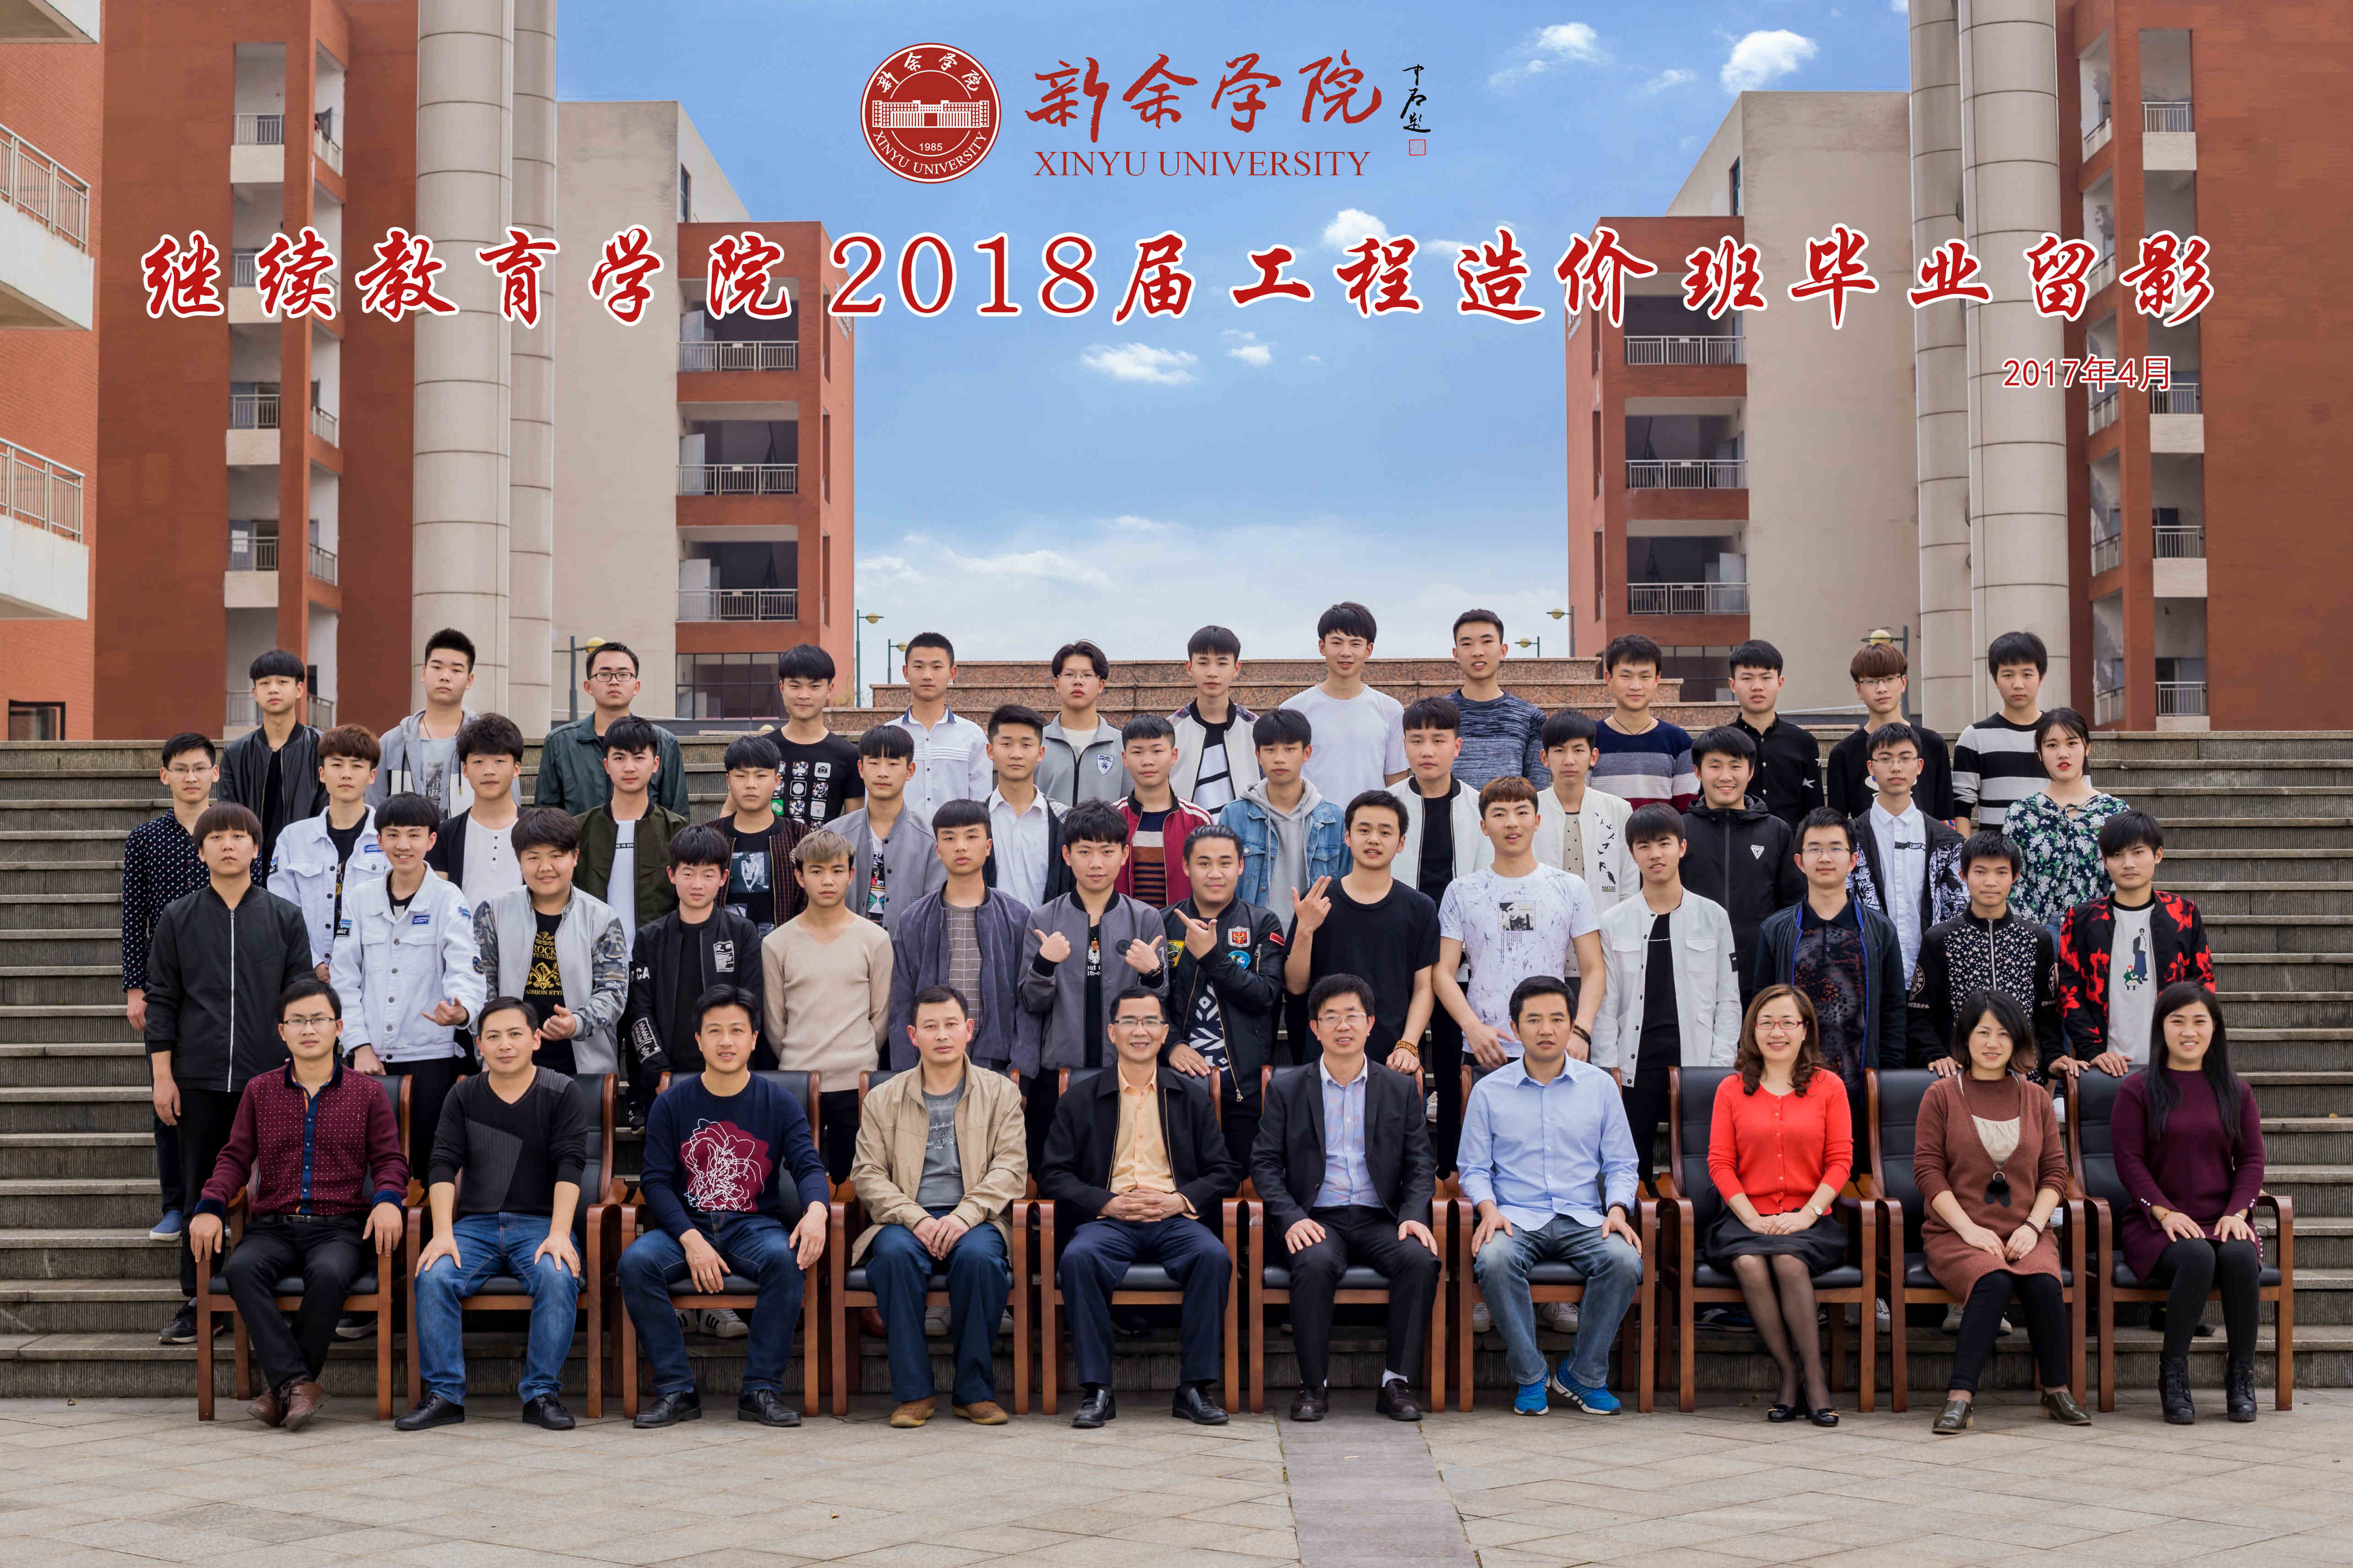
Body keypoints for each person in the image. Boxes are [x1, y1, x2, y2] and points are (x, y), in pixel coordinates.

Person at [189, 976, 407, 1431]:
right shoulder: (260, 1090)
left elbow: (390, 1160)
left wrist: (388, 1200)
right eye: (298, 1021)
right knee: (242, 1269)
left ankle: (281, 1391)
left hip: (340, 1227)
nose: (309, 1029)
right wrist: (210, 1206)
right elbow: (235, 1158)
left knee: (328, 1274)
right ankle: (298, 1384)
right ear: (282, 1031)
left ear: (339, 1027)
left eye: (319, 1019)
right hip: (274, 1225)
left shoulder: (367, 1092)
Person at [619, 986, 831, 1428]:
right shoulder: (672, 1102)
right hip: (687, 1225)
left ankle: (760, 1391)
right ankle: (676, 1390)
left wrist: (817, 1211)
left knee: (786, 1260)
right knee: (636, 1263)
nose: (726, 1041)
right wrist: (690, 1238)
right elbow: (655, 1181)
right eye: (714, 1031)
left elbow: (808, 1166)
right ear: (699, 1041)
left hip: (753, 1226)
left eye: (737, 1030)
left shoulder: (778, 1101)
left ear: (754, 1039)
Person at [145, 803, 314, 1342]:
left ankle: (272, 1293)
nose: (228, 845)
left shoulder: (284, 916)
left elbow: (301, 999)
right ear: (200, 852)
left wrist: (299, 1068)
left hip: (270, 1078)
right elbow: (162, 1000)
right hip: (197, 1078)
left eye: (239, 836)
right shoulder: (178, 917)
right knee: (201, 1187)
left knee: (275, 1188)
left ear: (256, 848)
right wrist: (163, 1076)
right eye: (216, 838)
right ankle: (200, 1299)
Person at [1038, 987, 1239, 1428]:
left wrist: (1177, 1201)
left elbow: (1225, 1171)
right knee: (1078, 1258)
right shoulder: (1080, 1098)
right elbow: (1053, 1173)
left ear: (1165, 1033)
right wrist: (1107, 1203)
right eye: (1129, 1021)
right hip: (1109, 1221)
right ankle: (1097, 1390)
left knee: (1213, 1257)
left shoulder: (1190, 1096)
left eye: (1150, 1022)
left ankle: (1194, 1388)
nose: (1140, 1031)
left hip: (1174, 1218)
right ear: (1112, 1032)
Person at [1254, 974, 1441, 1422]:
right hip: (1317, 1217)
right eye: (1331, 1017)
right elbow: (1264, 1164)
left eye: (1352, 1016)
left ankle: (1395, 1382)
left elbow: (1421, 1163)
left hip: (1381, 1218)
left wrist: (1414, 1215)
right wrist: (1291, 1217)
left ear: (1370, 1024)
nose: (1343, 1026)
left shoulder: (1398, 1088)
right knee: (1315, 1263)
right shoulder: (1287, 1088)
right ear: (1314, 1028)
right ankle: (1312, 1385)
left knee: (1420, 1260)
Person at [401, 996, 589, 1432]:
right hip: (475, 1228)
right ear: (480, 1045)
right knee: (433, 1275)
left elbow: (571, 1163)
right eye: (494, 1037)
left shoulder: (561, 1091)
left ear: (536, 1039)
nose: (505, 1045)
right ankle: (445, 1396)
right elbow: (442, 1163)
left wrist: (560, 1233)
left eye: (515, 1034)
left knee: (557, 1276)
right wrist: (443, 1233)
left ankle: (541, 1395)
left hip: (540, 1226)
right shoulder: (464, 1094)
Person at [1463, 975, 1646, 1417]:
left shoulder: (1600, 1087)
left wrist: (1617, 1209)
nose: (1546, 1030)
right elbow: (1474, 1168)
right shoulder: (1489, 1091)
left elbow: (1622, 1164)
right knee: (1494, 1259)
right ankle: (1530, 1377)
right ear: (1514, 1027)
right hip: (1514, 1218)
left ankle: (1583, 1375)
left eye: (1557, 1019)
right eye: (1534, 1020)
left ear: (1571, 1026)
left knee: (1624, 1261)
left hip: (1583, 1217)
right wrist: (1488, 1209)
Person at [1915, 991, 2092, 1433]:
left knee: (2044, 1283)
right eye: (1983, 1033)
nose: (1992, 1043)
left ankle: (2056, 1392)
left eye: (2002, 1034)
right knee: (1992, 1279)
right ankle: (1960, 1398)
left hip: (2025, 1231)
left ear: (2017, 1041)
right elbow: (1928, 1173)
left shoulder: (2035, 1098)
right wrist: (1969, 1231)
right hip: (1956, 1233)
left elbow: (2055, 1174)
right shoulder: (1941, 1095)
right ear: (1965, 1038)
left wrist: (2033, 1226)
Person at [851, 985, 1027, 1428]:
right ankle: (914, 1394)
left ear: (969, 1029)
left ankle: (974, 1393)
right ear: (913, 1035)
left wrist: (965, 1215)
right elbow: (867, 1174)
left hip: (977, 1217)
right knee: (893, 1258)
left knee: (981, 1261)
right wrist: (915, 1218)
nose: (942, 1035)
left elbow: (1011, 1168)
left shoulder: (1001, 1093)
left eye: (951, 1025)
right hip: (905, 1217)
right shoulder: (883, 1098)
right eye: (930, 1027)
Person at [2114, 985, 2267, 1424]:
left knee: (2240, 1255)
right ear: (2161, 1027)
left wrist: (2237, 1212)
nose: (2189, 1031)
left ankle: (2241, 1376)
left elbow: (2252, 1160)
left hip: (2221, 1218)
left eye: (2199, 1021)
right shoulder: (2138, 1089)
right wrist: (2164, 1211)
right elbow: (2129, 1162)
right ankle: (2174, 1375)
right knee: (2197, 1256)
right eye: (2177, 1021)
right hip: (2155, 1223)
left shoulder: (2236, 1091)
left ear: (2214, 1028)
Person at [1702, 985, 1853, 1425]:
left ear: (1805, 1030)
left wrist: (1806, 1215)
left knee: (1788, 1260)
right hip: (1744, 1218)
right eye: (1766, 1022)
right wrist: (1751, 1216)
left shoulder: (1829, 1087)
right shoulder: (1732, 1089)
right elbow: (1720, 1162)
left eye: (1788, 1022)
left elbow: (1841, 1161)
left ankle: (1815, 1378)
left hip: (1811, 1218)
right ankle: (1790, 1374)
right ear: (1753, 1030)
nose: (1777, 1032)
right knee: (1749, 1264)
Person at [332, 792, 484, 1184]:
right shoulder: (359, 898)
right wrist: (358, 1045)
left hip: (430, 1055)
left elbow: (466, 966)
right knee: (367, 1167)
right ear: (379, 840)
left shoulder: (449, 899)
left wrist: (462, 1009)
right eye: (394, 835)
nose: (404, 845)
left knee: (431, 1164)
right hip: (369, 1058)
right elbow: (344, 978)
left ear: (431, 840)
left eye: (414, 835)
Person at [1589, 806, 1741, 1183]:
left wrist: (1720, 1066)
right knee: (1629, 1169)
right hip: (1634, 1063)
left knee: (1701, 1169)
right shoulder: (1613, 922)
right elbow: (1606, 1004)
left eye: (1664, 843)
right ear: (1632, 854)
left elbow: (1728, 998)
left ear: (1682, 847)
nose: (1655, 854)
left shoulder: (1713, 916)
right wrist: (1608, 1066)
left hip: (1698, 1061)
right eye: (1644, 846)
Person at [1017, 801, 1170, 1162]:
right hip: (1059, 1073)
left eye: (1107, 851)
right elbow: (1031, 1002)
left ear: (1124, 855)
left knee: (1123, 1167)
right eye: (1085, 852)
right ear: (1067, 856)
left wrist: (1154, 973)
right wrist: (1044, 965)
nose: (1096, 863)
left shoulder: (1145, 918)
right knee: (1057, 1169)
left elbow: (1160, 1003)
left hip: (1128, 1072)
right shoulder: (1044, 918)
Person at [1751, 810, 1907, 1144]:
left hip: (1860, 1087)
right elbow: (1759, 1007)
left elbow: (1893, 1010)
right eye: (1815, 848)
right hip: (1790, 1085)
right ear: (1799, 861)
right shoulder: (1776, 930)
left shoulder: (1879, 931)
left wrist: (1886, 1080)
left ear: (1853, 861)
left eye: (1836, 848)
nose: (1825, 858)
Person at [1387, 697, 1492, 1171]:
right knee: (1393, 1067)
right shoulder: (1387, 805)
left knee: (1452, 1067)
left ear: (1457, 746)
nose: (1427, 751)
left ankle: (1450, 1168)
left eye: (1438, 740)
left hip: (1459, 959)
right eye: (1416, 741)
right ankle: (1396, 1168)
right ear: (1405, 746)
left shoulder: (1478, 807)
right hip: (1399, 956)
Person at [1436, 778, 1605, 1072]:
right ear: (1484, 826)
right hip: (1487, 1046)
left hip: (1554, 1044)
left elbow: (1594, 969)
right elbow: (1442, 973)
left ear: (1537, 821)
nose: (1512, 823)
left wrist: (1581, 1031)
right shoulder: (1462, 891)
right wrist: (1472, 1028)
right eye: (1499, 814)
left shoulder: (1570, 887)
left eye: (1522, 812)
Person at [123, 733, 219, 1244]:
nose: (191, 777)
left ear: (215, 774)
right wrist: (134, 987)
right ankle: (174, 1204)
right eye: (181, 769)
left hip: (223, 978)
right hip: (166, 984)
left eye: (199, 768)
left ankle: (222, 1198)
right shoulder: (145, 839)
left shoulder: (233, 831)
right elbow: (133, 918)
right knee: (167, 1095)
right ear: (165, 776)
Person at [760, 827, 893, 1183]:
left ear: (852, 875)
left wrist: (859, 1054)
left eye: (837, 870)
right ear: (799, 877)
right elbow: (774, 1022)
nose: (828, 881)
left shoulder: (875, 940)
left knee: (858, 1183)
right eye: (816, 871)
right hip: (798, 1081)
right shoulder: (777, 944)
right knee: (798, 1183)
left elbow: (880, 1017)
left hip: (857, 1080)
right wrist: (798, 1060)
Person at [623, 823, 773, 1128]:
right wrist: (659, 1071)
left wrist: (729, 1062)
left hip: (729, 1073)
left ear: (724, 878)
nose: (697, 884)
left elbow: (751, 1004)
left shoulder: (742, 933)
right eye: (688, 874)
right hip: (665, 1080)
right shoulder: (650, 938)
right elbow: (639, 1011)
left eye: (708, 875)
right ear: (672, 875)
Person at [1160, 823, 1286, 1175]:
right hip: (1177, 1082)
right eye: (1204, 863)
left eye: (1225, 863)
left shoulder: (1262, 923)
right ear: (1186, 866)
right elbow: (1148, 999)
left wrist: (1211, 956)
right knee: (1183, 1178)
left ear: (1241, 866)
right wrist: (1171, 1045)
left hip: (1243, 1085)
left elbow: (1265, 995)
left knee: (1240, 1181)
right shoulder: (1163, 922)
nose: (1215, 873)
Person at [2054, 811, 2214, 1080]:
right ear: (2104, 861)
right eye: (2117, 855)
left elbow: (2202, 984)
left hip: (2173, 1060)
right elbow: (2069, 991)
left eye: (2138, 853)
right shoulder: (2082, 919)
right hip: (2105, 1065)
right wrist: (2093, 1052)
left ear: (2158, 855)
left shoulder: (2183, 914)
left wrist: (2185, 1046)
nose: (2128, 864)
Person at [1287, 793, 1441, 1072]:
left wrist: (1408, 1044)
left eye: (1386, 832)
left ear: (1401, 843)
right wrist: (1305, 931)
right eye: (1364, 830)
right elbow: (1296, 986)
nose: (1374, 840)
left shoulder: (1420, 908)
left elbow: (1424, 988)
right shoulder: (1318, 900)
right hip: (1324, 1056)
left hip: (1394, 1058)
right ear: (1347, 837)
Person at [472, 808, 628, 1077]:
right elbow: (480, 989)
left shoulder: (602, 918)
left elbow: (614, 992)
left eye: (556, 856)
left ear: (575, 857)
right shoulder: (493, 912)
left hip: (583, 1067)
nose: (545, 867)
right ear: (519, 861)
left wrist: (577, 1023)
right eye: (534, 858)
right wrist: (489, 1053)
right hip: (508, 1063)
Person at [888, 803, 1029, 1078]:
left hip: (996, 1066)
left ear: (988, 846)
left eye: (971, 836)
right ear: (938, 850)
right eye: (950, 838)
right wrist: (904, 1075)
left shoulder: (1016, 917)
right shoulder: (914, 920)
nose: (961, 847)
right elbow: (901, 1005)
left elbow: (1025, 1004)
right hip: (929, 1066)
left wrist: (1021, 1072)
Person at [1909, 833, 2064, 1075]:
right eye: (1980, 872)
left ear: (2015, 877)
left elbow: (2047, 1014)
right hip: (1959, 1073)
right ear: (1963, 875)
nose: (1991, 882)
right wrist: (1936, 1055)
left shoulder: (2037, 939)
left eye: (2001, 873)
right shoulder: (1939, 939)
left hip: (2023, 1074)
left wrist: (2053, 1058)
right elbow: (1921, 1013)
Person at [1681, 725, 1803, 1006]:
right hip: (1692, 972)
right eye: (1715, 766)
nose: (1725, 776)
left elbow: (1792, 905)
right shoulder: (1680, 831)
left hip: (1760, 973)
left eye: (1735, 766)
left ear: (1750, 772)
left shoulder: (1777, 831)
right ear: (1698, 772)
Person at [1846, 722, 1967, 985]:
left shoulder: (1947, 841)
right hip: (1867, 973)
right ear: (1871, 768)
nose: (1896, 767)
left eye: (1905, 758)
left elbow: (1957, 909)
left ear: (1919, 766)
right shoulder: (1849, 838)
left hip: (1932, 973)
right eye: (1886, 759)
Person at [266, 725, 385, 978]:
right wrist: (314, 963)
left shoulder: (389, 838)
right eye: (337, 765)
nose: (346, 774)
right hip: (306, 974)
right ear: (322, 773)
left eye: (357, 766)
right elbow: (282, 910)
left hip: (374, 975)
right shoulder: (292, 838)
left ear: (372, 776)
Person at [1219, 708, 1348, 929]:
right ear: (1258, 755)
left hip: (1319, 934)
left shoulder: (1333, 819)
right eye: (1270, 750)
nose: (1279, 759)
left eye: (1290, 749)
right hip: (1252, 934)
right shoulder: (1235, 815)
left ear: (1307, 753)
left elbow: (1347, 883)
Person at [2002, 707, 2127, 933]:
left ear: (2087, 747)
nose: (2063, 754)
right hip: (2039, 932)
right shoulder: (2021, 813)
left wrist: (2105, 927)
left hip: (2097, 929)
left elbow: (2123, 875)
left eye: (2072, 743)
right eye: (2052, 745)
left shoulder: (2114, 812)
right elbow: (2012, 878)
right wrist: (2034, 933)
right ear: (2040, 753)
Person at [574, 715, 688, 954]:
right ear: (606, 765)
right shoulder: (581, 829)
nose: (629, 768)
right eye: (619, 758)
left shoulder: (676, 829)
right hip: (592, 957)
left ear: (655, 764)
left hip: (657, 957)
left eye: (639, 758)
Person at [534, 642, 689, 817]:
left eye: (623, 675)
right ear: (588, 687)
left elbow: (677, 817)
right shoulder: (560, 743)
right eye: (604, 675)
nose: (614, 682)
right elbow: (546, 817)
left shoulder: (664, 742)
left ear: (636, 687)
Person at [1280, 600, 1407, 801]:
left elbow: (1397, 781)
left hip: (1370, 819)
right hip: (1310, 819)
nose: (1346, 652)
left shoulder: (1390, 710)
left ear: (1369, 650)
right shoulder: (1294, 710)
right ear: (1322, 647)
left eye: (1355, 644)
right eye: (1337, 643)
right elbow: (1283, 778)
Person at [1827, 640, 1957, 824]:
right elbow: (1837, 825)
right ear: (1858, 689)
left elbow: (1945, 816)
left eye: (1889, 679)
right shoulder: (1843, 753)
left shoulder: (1933, 744)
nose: (1882, 689)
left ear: (1903, 682)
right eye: (1871, 681)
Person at [833, 725, 945, 936]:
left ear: (910, 771)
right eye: (874, 763)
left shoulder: (931, 838)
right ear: (861, 769)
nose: (883, 773)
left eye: (893, 764)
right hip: (846, 950)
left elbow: (935, 913)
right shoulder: (835, 835)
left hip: (908, 952)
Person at [220, 648, 325, 871]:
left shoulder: (322, 748)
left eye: (282, 682)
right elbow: (228, 817)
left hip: (307, 867)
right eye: (265, 683)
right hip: (249, 869)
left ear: (299, 690)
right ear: (255, 692)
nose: (273, 689)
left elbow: (327, 815)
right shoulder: (235, 754)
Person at [1531, 709, 1637, 914]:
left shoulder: (1618, 810)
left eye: (1578, 750)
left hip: (1605, 922)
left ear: (1593, 756)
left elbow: (1629, 881)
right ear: (1545, 757)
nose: (1569, 760)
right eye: (1560, 751)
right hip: (1545, 921)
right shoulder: (1528, 811)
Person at [370, 627, 477, 815]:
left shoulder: (488, 742)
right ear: (423, 673)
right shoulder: (390, 744)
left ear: (469, 680)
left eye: (456, 670)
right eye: (437, 668)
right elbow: (373, 812)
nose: (445, 677)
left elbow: (509, 812)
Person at [714, 732, 810, 940]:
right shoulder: (711, 837)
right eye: (741, 776)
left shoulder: (801, 837)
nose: (751, 784)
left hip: (787, 949)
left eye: (760, 776)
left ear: (777, 781)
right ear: (728, 781)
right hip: (723, 950)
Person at [888, 631, 992, 822]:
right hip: (900, 839)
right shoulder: (889, 736)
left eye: (937, 667)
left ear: (952, 673)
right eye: (918, 667)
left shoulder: (973, 736)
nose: (927, 676)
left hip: (957, 839)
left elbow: (981, 806)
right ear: (906, 672)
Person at [1112, 714, 1214, 908]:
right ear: (1125, 758)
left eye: (1157, 751)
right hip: (1123, 925)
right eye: (1138, 752)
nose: (1147, 761)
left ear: (1174, 756)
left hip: (1182, 926)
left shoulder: (1198, 821)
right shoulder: (1112, 819)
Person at [1952, 630, 2049, 832]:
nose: (2018, 685)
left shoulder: (2062, 735)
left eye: (2027, 674)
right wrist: (1965, 851)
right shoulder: (1975, 737)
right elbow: (1961, 807)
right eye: (2008, 675)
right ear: (1995, 680)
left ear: (2041, 677)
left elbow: (2081, 798)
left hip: (2052, 850)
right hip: (1995, 851)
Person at [426, 714, 526, 905]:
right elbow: (439, 904)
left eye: (499, 761)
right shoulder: (445, 835)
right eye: (479, 762)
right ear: (465, 769)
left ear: (517, 768)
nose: (489, 771)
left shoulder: (538, 832)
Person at [1591, 635, 1697, 812]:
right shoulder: (1589, 740)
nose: (1636, 686)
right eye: (1626, 676)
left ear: (1657, 679)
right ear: (1609, 679)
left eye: (1645, 676)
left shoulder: (1679, 742)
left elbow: (1686, 813)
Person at [1726, 640, 1824, 832]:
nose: (1757, 687)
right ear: (1733, 685)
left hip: (1791, 846)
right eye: (1747, 678)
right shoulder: (1721, 744)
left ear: (1780, 683)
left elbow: (1815, 812)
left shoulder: (1804, 743)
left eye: (1766, 678)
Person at [1448, 609, 1550, 790]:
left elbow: (1537, 792)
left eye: (1487, 642)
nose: (1477, 652)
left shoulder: (1530, 718)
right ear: (1456, 654)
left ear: (1503, 650)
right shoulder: (1439, 716)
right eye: (1467, 644)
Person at [982, 703, 1071, 909]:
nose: (1016, 754)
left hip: (1050, 928)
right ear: (990, 751)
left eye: (1026, 745)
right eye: (1006, 744)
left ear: (1040, 753)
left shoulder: (1064, 820)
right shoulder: (975, 820)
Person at [772, 643, 863, 827]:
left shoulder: (850, 756)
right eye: (795, 686)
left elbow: (855, 827)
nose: (804, 695)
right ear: (782, 687)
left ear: (830, 689)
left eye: (814, 687)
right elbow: (732, 813)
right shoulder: (762, 750)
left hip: (826, 846)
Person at [1170, 624, 1257, 810]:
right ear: (1189, 667)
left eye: (1222, 663)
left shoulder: (1256, 730)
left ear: (1236, 668)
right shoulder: (1170, 731)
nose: (1212, 673)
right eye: (1203, 663)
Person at [1040, 640, 1130, 807]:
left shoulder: (1122, 744)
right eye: (1069, 675)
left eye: (1087, 675)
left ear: (1101, 685)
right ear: (1056, 684)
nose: (1078, 681)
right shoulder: (1036, 741)